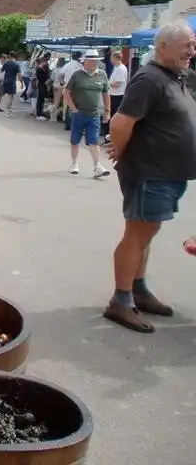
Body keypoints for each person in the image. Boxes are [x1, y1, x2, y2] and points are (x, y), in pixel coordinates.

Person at [105, 20, 196, 333]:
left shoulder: (175, 77)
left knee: (147, 231)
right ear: (163, 47)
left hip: (166, 173)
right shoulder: (150, 78)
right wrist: (121, 150)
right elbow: (120, 123)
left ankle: (137, 290)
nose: (193, 52)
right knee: (138, 233)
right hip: (149, 173)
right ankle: (121, 300)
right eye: (188, 46)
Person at [64, 51, 111, 177]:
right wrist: (73, 108)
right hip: (78, 113)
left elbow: (106, 94)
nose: (93, 62)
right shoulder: (77, 75)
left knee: (94, 140)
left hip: (94, 113)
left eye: (95, 60)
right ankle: (74, 163)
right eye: (90, 60)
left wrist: (107, 111)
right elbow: (66, 92)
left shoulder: (102, 75)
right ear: (84, 61)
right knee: (75, 140)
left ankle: (97, 166)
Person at [0, 53, 21, 117]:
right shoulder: (17, 65)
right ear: (15, 57)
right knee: (10, 97)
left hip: (6, 81)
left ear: (10, 56)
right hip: (12, 82)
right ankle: (7, 111)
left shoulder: (6, 63)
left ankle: (9, 109)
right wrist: (22, 83)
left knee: (9, 96)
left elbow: (1, 71)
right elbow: (19, 75)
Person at [108, 50, 128, 119]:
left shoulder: (121, 69)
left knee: (114, 113)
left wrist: (107, 84)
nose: (110, 60)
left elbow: (118, 84)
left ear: (115, 58)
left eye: (111, 58)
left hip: (117, 95)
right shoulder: (117, 68)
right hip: (114, 94)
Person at [34, 56, 50, 120]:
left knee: (41, 100)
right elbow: (42, 78)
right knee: (40, 100)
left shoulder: (40, 68)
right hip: (41, 85)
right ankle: (38, 114)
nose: (47, 63)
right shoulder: (40, 69)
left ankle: (40, 113)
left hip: (42, 85)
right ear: (43, 61)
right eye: (46, 62)